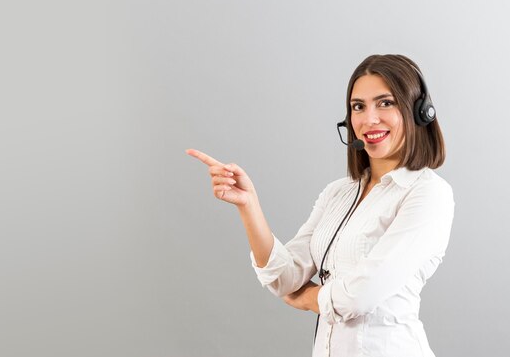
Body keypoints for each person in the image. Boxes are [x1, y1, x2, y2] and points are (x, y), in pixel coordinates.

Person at [185, 54, 455, 357]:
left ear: (420, 112)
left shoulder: (429, 194)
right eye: (358, 107)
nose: (369, 119)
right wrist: (248, 205)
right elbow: (284, 277)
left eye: (385, 103)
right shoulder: (338, 194)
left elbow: (358, 296)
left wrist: (306, 298)